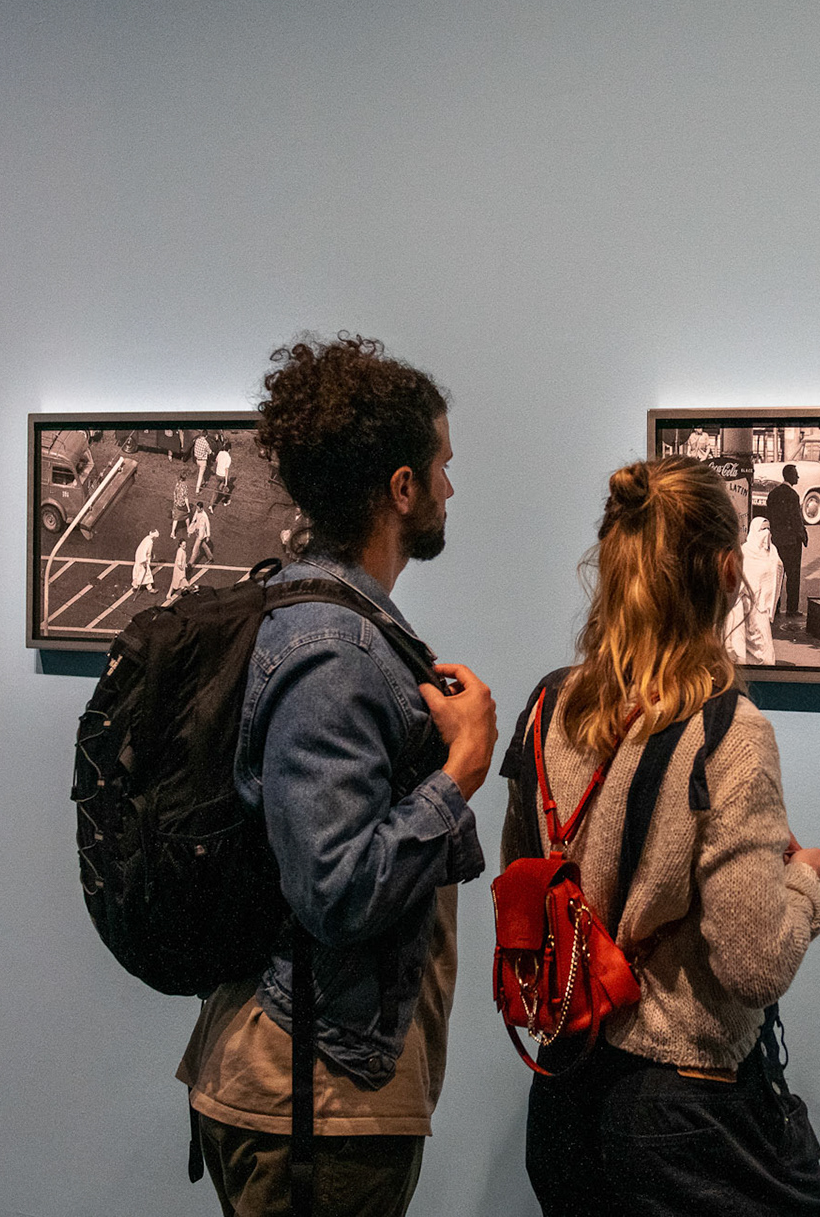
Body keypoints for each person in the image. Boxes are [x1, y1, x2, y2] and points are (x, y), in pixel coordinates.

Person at [176, 333, 498, 1217]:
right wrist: (463, 768)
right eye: (441, 466)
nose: (450, 488)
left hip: (325, 1084)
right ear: (401, 488)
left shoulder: (341, 626)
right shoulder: (335, 652)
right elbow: (336, 887)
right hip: (313, 1097)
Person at [506, 457, 820, 1217]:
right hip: (686, 1113)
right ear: (729, 572)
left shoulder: (547, 709)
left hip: (562, 1094)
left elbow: (526, 883)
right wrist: (806, 883)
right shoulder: (731, 733)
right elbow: (754, 962)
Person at [725, 516, 783, 665]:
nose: (767, 532)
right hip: (744, 606)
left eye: (768, 529)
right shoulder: (745, 552)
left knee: (763, 648)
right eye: (763, 529)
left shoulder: (772, 552)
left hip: (761, 607)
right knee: (750, 646)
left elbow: (777, 571)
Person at [764, 464, 810, 624]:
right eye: (796, 474)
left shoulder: (773, 494)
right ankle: (792, 608)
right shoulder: (793, 495)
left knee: (776, 575)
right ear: (789, 476)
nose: (798, 477)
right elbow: (796, 518)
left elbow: (770, 516)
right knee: (793, 575)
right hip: (791, 541)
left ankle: (775, 606)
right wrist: (803, 536)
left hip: (777, 540)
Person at [131, 529, 159, 594]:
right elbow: (145, 551)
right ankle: (150, 589)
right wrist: (144, 561)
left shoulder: (147, 538)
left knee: (137, 572)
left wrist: (152, 554)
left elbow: (146, 550)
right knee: (147, 573)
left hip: (139, 558)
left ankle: (135, 585)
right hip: (142, 560)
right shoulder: (150, 542)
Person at [189, 501, 214, 567]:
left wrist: (208, 536)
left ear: (202, 508)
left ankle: (190, 563)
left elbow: (208, 526)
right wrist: (190, 530)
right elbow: (194, 520)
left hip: (201, 534)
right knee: (204, 546)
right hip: (197, 532)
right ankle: (210, 558)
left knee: (195, 549)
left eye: (198, 508)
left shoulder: (204, 516)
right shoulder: (197, 512)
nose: (196, 509)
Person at [171, 471, 191, 538]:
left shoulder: (177, 484)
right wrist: (188, 508)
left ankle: (172, 532)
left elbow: (174, 493)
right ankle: (188, 529)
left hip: (177, 504)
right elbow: (186, 498)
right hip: (182, 505)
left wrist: (175, 501)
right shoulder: (184, 487)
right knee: (187, 516)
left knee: (175, 519)